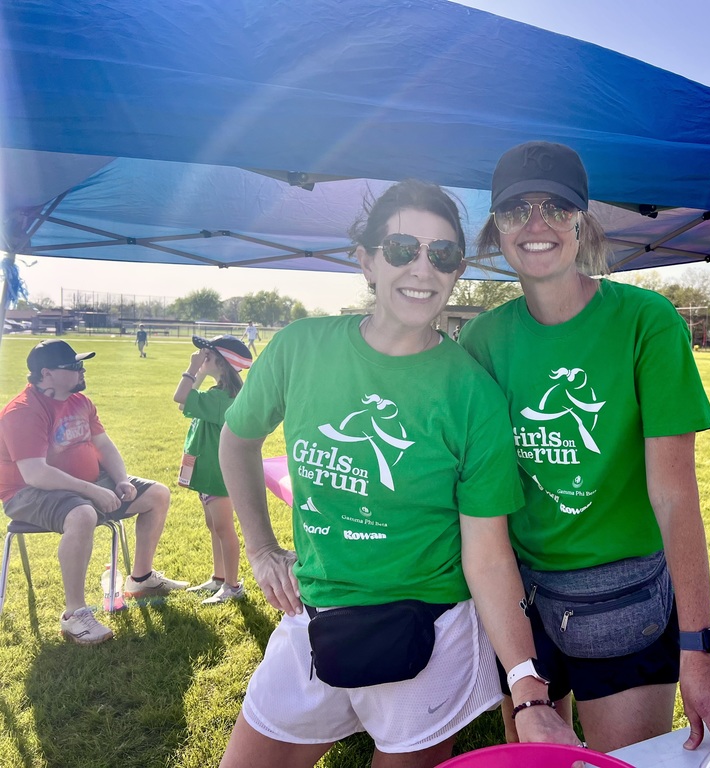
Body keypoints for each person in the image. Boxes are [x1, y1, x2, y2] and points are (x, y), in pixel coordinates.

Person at [217, 180, 578, 768]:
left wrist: (528, 688)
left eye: (442, 255)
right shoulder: (301, 347)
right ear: (366, 259)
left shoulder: (472, 394)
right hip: (311, 615)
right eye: (402, 248)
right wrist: (259, 549)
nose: (422, 268)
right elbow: (237, 441)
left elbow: (487, 555)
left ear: (457, 270)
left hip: (428, 636)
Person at [459, 141, 710, 761]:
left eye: (556, 207)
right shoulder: (483, 338)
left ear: (583, 222)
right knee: (535, 754)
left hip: (624, 595)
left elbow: (674, 493)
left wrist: (696, 650)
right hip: (519, 591)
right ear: (497, 229)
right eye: (517, 210)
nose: (537, 224)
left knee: (624, 761)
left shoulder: (645, 321)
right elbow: (477, 493)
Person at [0, 340, 188, 645]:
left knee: (157, 494)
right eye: (73, 366)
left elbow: (104, 445)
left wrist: (121, 480)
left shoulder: (80, 402)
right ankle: (75, 615)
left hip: (84, 485)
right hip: (28, 493)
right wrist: (93, 491)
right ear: (45, 374)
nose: (82, 369)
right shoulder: (22, 411)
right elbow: (35, 474)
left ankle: (140, 579)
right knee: (82, 513)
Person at [174, 334, 252, 604]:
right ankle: (219, 578)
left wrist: (193, 368)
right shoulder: (219, 394)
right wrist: (202, 372)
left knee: (223, 528)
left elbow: (179, 396)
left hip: (219, 473)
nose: (202, 358)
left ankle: (232, 585)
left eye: (207, 355)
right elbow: (186, 403)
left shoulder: (221, 397)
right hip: (209, 470)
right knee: (214, 525)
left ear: (219, 361)